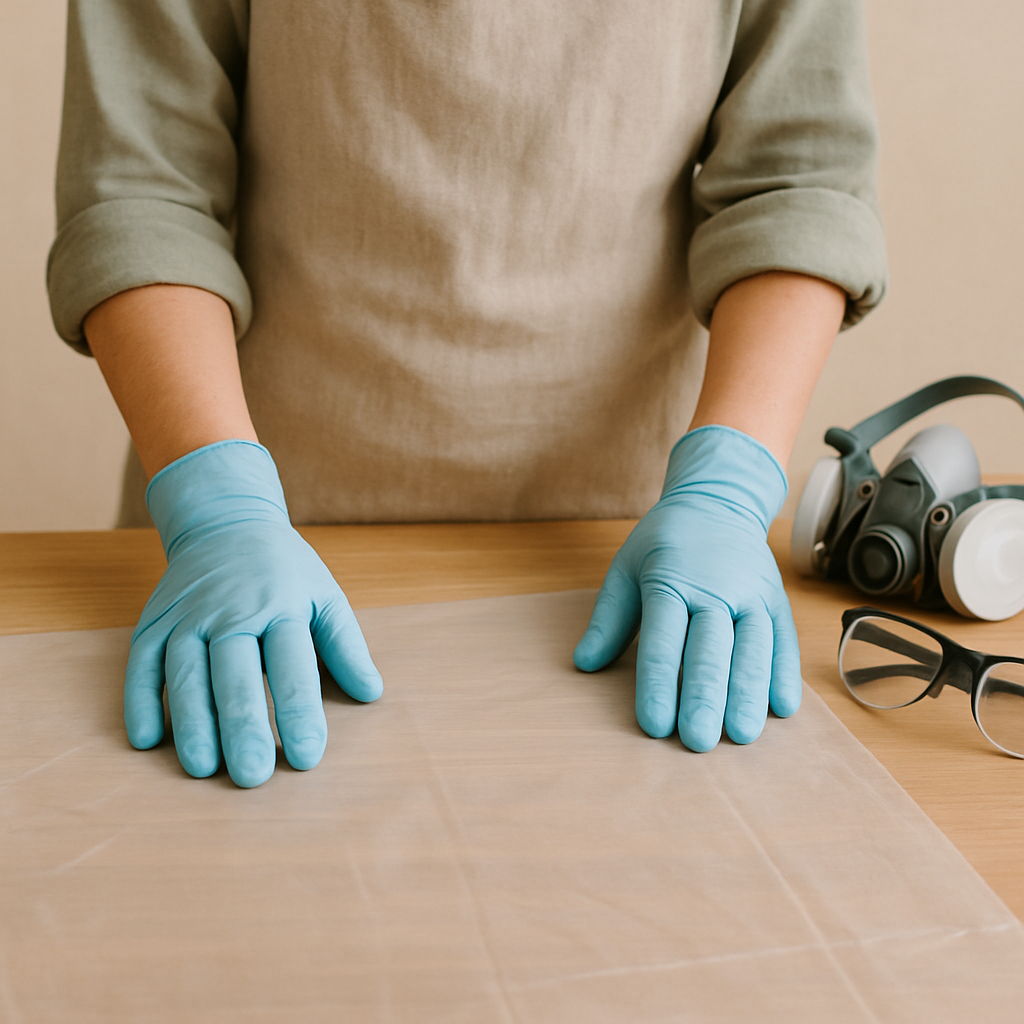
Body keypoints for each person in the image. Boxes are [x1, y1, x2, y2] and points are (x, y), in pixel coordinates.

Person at [48, 0, 887, 787]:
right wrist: (216, 510)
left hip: (638, 550)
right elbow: (147, 190)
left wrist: (728, 490)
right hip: (258, 535)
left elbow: (794, 184)